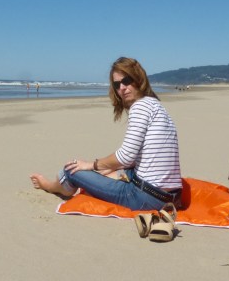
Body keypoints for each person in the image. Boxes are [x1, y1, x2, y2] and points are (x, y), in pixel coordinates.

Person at [29, 56, 182, 211]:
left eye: (127, 80)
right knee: (113, 169)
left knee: (71, 170)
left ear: (139, 78)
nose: (122, 88)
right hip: (173, 197)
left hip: (146, 199)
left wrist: (92, 165)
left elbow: (126, 155)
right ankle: (102, 176)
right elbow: (139, 156)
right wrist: (106, 167)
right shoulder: (155, 105)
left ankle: (51, 186)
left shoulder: (140, 107)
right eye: (117, 84)